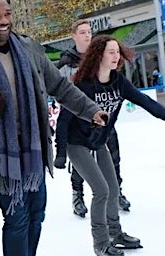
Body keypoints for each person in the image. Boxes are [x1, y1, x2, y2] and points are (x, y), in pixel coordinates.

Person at [0, 1, 108, 255]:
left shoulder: (29, 48)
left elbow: (60, 87)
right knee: (17, 220)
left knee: (36, 214)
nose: (4, 20)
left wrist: (91, 110)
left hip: (34, 150)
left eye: (7, 13)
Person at [54, 35, 153, 255]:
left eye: (118, 51)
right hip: (76, 142)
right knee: (101, 190)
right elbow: (63, 120)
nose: (116, 56)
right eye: (111, 51)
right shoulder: (82, 85)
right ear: (98, 55)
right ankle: (100, 244)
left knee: (113, 188)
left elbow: (146, 102)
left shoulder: (119, 82)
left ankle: (115, 233)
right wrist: (60, 153)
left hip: (99, 141)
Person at [55, 19, 131, 216]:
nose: (87, 35)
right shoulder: (66, 62)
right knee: (81, 163)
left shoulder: (101, 56)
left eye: (89, 31)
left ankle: (117, 191)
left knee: (113, 153)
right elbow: (58, 88)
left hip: (103, 118)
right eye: (82, 32)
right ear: (74, 36)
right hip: (77, 119)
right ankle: (77, 195)